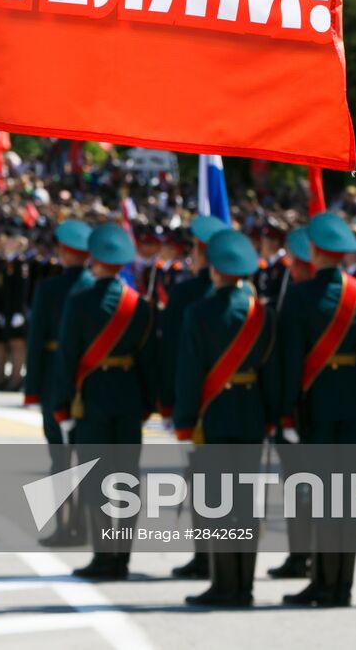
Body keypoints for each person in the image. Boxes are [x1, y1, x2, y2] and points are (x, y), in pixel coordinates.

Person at [174, 228, 280, 607]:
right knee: (245, 506)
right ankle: (244, 587)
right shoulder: (262, 313)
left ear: (215, 270)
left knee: (218, 505)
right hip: (251, 415)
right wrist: (271, 416)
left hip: (213, 417)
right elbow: (272, 373)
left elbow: (189, 373)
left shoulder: (199, 312)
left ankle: (223, 585)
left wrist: (184, 422)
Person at [278, 212, 356, 608]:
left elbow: (289, 360)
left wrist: (287, 411)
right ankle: (342, 585)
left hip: (315, 404)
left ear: (314, 251)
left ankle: (322, 582)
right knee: (346, 499)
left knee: (322, 497)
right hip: (352, 405)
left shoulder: (300, 295)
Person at [52, 224, 156, 581]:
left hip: (93, 396)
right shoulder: (139, 305)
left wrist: (62, 403)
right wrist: (147, 404)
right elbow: (149, 360)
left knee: (96, 479)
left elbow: (67, 358)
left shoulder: (79, 302)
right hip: (129, 397)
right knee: (127, 480)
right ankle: (122, 558)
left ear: (94, 260)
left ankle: (103, 557)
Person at [156, 213, 227, 580]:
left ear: (201, 253)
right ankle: (226, 562)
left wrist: (168, 403)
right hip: (235, 400)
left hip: (196, 399)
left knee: (201, 480)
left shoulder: (184, 293)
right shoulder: (246, 294)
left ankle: (204, 557)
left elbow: (171, 353)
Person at [24, 220, 92, 546]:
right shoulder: (96, 287)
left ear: (64, 253)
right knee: (88, 456)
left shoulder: (49, 289)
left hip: (54, 377)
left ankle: (66, 527)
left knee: (60, 458)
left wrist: (32, 389)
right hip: (89, 379)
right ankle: (86, 525)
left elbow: (36, 341)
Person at [268, 226, 315, 581]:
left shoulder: (295, 302)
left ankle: (302, 556)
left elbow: (285, 362)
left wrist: (281, 412)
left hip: (298, 409)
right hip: (331, 409)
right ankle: (314, 560)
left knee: (300, 486)